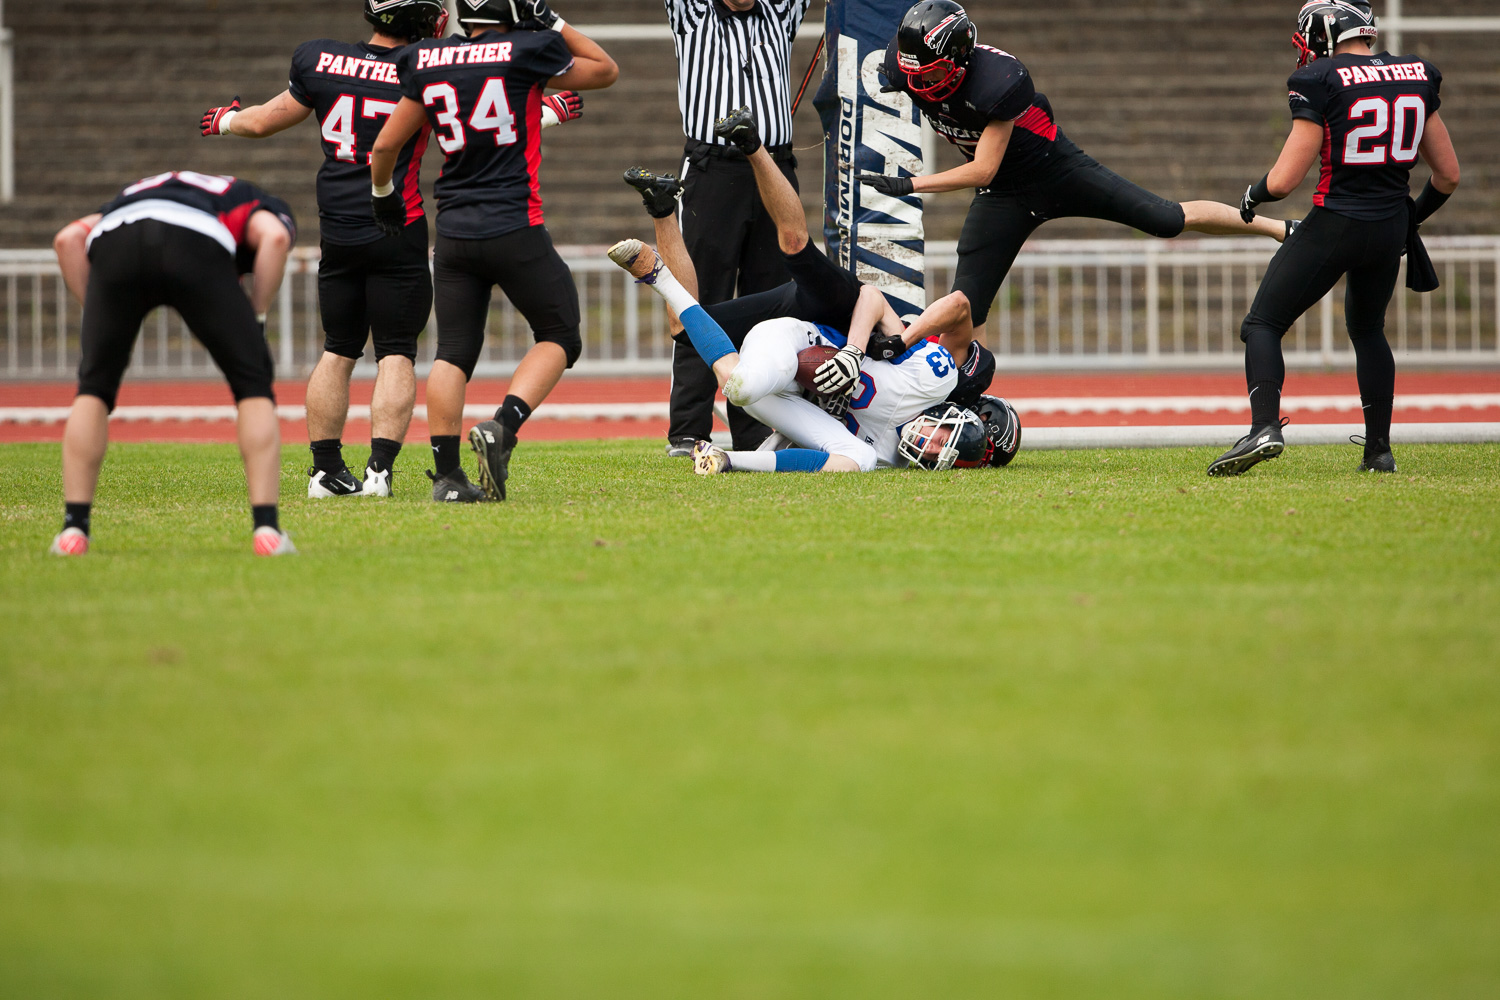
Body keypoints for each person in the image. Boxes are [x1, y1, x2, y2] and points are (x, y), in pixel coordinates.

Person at [200, 0, 584, 499]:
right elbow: (470, 123)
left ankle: (324, 472)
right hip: (396, 225)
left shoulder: (321, 59)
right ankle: (379, 472)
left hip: (337, 229)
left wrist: (225, 121)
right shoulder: (427, 64)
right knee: (396, 353)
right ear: (426, 21)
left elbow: (262, 121)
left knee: (337, 348)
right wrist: (550, 110)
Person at [861, 0, 1294, 361]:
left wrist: (912, 185)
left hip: (1056, 171)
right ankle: (973, 402)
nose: (919, 83)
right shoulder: (913, 68)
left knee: (1165, 219)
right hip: (1004, 196)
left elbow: (982, 168)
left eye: (931, 74)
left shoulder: (998, 80)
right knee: (969, 304)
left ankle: (1280, 229)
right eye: (915, 74)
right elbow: (989, 174)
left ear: (958, 60)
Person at [625, 107, 1014, 466]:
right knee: (795, 246)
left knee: (685, 331)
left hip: (797, 368)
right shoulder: (932, 372)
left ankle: (662, 210)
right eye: (947, 434)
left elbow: (814, 433)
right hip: (827, 319)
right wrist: (859, 350)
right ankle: (752, 144)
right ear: (959, 403)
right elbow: (881, 298)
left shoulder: (889, 451)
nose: (935, 442)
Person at [368, 0, 617, 502]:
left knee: (453, 352)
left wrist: (383, 195)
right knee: (560, 332)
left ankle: (447, 478)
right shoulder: (529, 47)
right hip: (514, 225)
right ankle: (504, 426)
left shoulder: (429, 58)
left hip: (455, 233)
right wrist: (551, 21)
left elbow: (383, 148)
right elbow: (604, 70)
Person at [1209, 0, 1459, 476]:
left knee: (1262, 324)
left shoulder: (1320, 79)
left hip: (1336, 220)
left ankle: (1264, 427)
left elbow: (1284, 180)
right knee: (1368, 331)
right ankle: (1379, 452)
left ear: (1323, 36)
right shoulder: (1416, 73)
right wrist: (1412, 222)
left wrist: (1252, 194)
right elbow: (1447, 175)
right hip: (1388, 226)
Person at [48, 172, 298, 556]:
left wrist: (105, 319)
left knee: (94, 388)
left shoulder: (132, 193)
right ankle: (267, 529)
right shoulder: (244, 196)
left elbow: (67, 240)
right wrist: (257, 315)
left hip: (118, 238)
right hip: (195, 239)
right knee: (253, 386)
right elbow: (275, 238)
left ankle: (73, 531)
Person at [661, 0, 811, 457]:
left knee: (772, 303)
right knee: (697, 300)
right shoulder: (692, 13)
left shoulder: (780, 11)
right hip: (713, 170)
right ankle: (689, 429)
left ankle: (758, 431)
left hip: (773, 167)